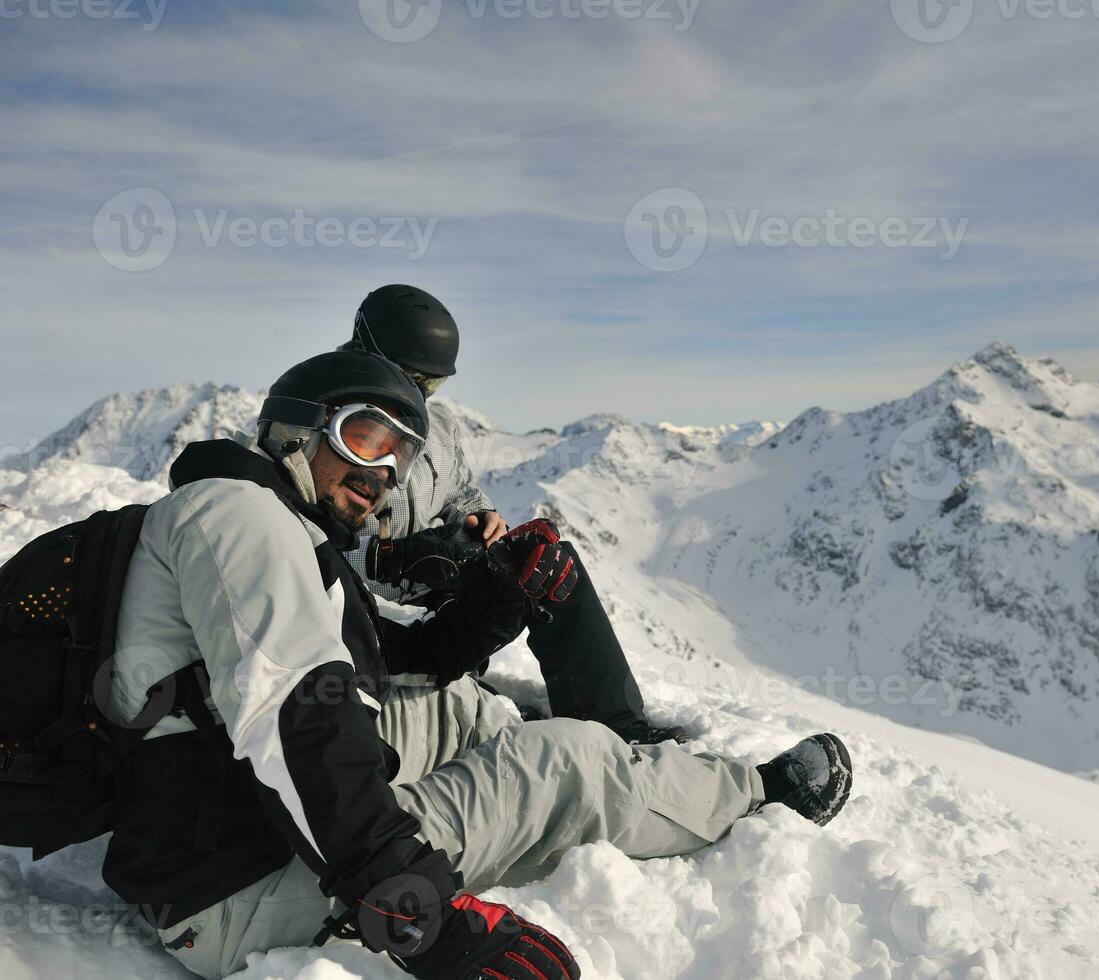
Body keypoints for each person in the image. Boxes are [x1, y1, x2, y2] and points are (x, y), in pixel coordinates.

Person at [103, 349, 854, 980]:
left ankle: (632, 779)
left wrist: (500, 599)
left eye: (399, 456)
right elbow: (295, 718)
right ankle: (756, 799)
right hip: (235, 893)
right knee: (568, 761)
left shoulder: (265, 521)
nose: (381, 473)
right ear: (296, 426)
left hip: (228, 820)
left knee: (463, 708)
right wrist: (416, 911)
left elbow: (386, 663)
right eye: (366, 437)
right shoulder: (243, 519)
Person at [343, 284, 685, 744]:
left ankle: (615, 728)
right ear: (373, 356)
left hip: (438, 589)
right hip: (370, 619)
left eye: (434, 384)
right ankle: (474, 707)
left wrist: (482, 521)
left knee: (549, 567)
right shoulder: (332, 428)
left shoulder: (436, 426)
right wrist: (397, 556)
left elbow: (461, 492)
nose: (421, 395)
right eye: (413, 378)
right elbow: (305, 543)